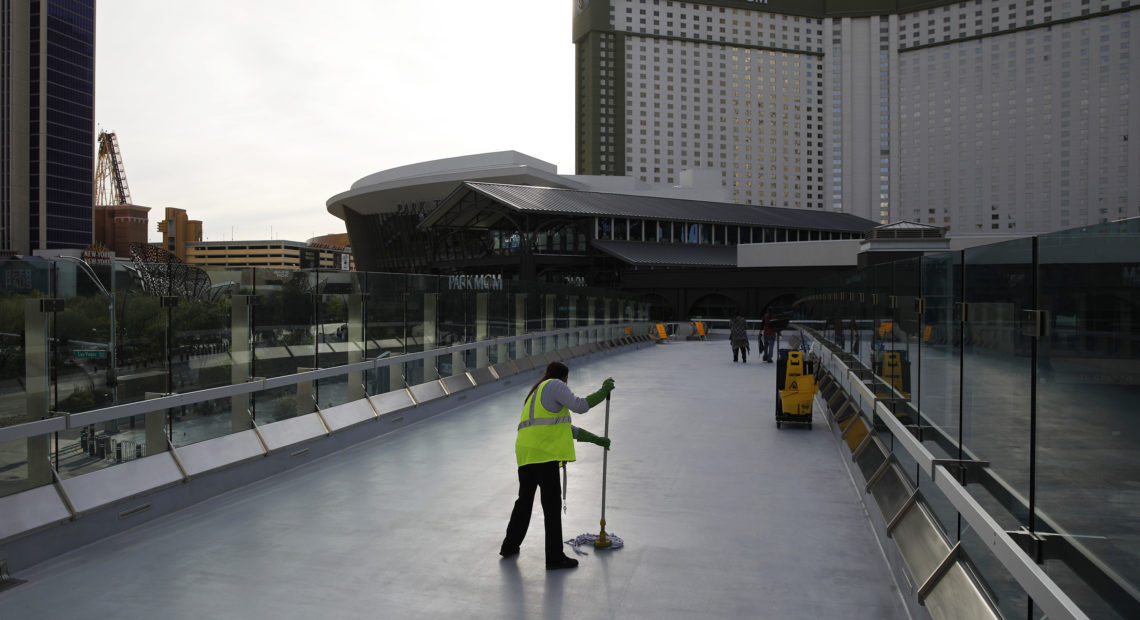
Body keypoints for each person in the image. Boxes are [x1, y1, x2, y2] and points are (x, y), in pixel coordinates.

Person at [500, 361, 614, 570]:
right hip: (544, 456)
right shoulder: (555, 385)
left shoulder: (537, 392)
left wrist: (596, 439)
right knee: (551, 508)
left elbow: (566, 429)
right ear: (564, 378)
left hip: (526, 454)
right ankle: (554, 558)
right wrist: (603, 390)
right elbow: (580, 406)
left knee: (524, 503)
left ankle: (509, 546)